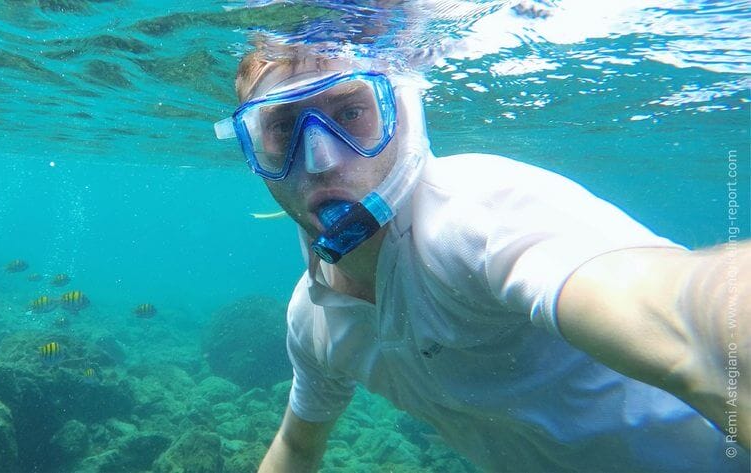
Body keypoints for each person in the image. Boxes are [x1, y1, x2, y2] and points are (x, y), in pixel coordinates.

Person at [214, 43, 750, 472]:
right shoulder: (313, 319)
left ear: (403, 118)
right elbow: (296, 448)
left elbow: (685, 317)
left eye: (351, 113)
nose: (321, 159)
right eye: (282, 128)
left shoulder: (476, 217)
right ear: (252, 149)